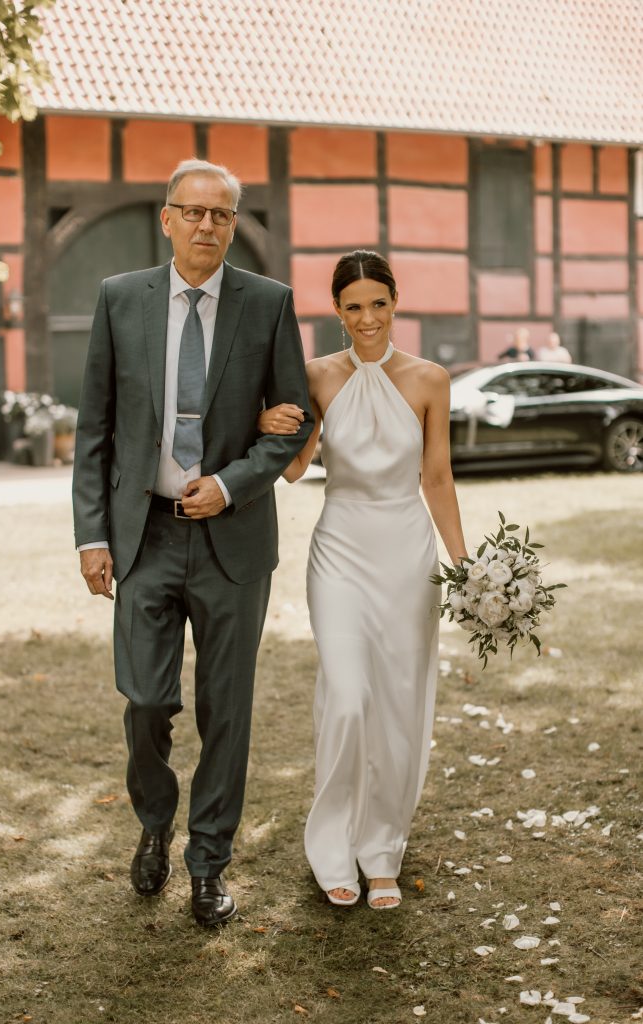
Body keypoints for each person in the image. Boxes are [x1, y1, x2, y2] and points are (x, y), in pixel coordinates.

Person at [72, 158, 313, 927]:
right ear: (167, 219)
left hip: (232, 542)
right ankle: (154, 822)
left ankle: (208, 863)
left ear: (233, 224)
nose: (207, 225)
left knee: (226, 711)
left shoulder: (268, 303)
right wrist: (91, 535)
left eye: (221, 214)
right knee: (145, 699)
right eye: (193, 211)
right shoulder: (120, 299)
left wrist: (233, 482)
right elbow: (94, 428)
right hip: (141, 536)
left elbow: (292, 420)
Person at [258, 250, 467, 910]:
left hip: (407, 553)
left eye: (378, 303)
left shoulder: (430, 380)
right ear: (337, 311)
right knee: (347, 696)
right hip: (341, 550)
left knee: (397, 705)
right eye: (354, 307)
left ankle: (381, 851)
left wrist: (466, 567)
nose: (368, 317)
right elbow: (294, 468)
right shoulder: (317, 376)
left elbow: (436, 477)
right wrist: (265, 423)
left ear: (394, 302)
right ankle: (331, 843)